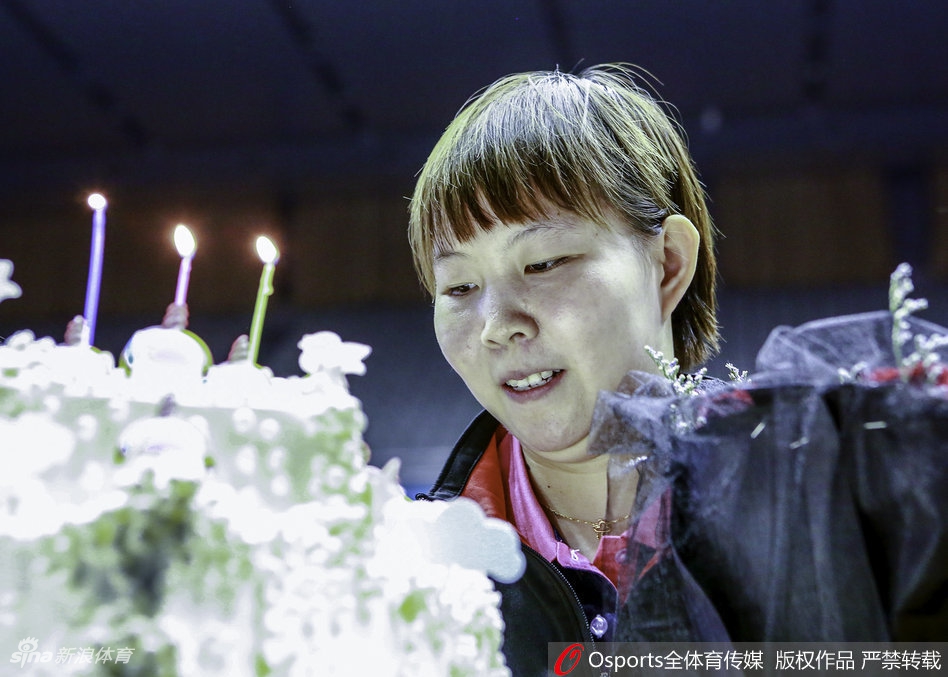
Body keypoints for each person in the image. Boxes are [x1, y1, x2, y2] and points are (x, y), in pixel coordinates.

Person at [409, 63, 720, 674]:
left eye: (545, 262)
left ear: (668, 263)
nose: (499, 323)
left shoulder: (806, 507)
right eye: (460, 285)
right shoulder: (413, 568)